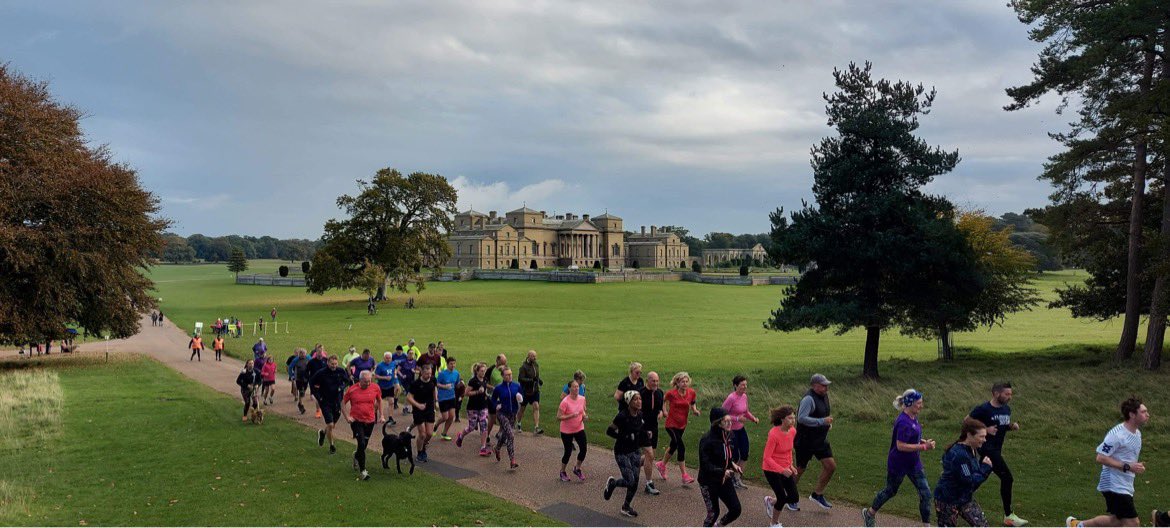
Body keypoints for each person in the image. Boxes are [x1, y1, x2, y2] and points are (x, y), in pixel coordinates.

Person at [1067, 397, 1150, 528]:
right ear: (1132, 415)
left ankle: (1078, 525)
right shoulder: (1117, 435)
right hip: (1113, 484)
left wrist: (1135, 467)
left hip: (1126, 484)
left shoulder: (1137, 433)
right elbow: (1100, 457)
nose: (1147, 414)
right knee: (1132, 523)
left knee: (1117, 521)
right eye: (1143, 412)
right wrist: (1128, 466)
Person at [862, 389, 936, 527]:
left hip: (914, 464)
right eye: (919, 403)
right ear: (910, 403)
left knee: (925, 494)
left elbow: (912, 437)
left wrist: (922, 441)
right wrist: (924, 447)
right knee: (890, 491)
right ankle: (869, 513)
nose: (921, 406)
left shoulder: (913, 417)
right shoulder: (903, 422)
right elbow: (901, 445)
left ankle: (927, 525)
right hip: (898, 464)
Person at [969, 382, 1028, 527]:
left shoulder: (1007, 409)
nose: (1010, 397)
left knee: (980, 475)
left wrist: (1010, 426)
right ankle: (1008, 516)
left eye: (1011, 394)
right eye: (1007, 394)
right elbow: (967, 422)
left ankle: (957, 498)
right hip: (987, 448)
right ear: (996, 393)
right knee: (1007, 478)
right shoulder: (983, 409)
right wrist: (985, 429)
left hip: (996, 448)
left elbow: (1001, 426)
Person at [934, 417, 994, 527]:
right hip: (947, 500)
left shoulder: (972, 449)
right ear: (969, 435)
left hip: (964, 498)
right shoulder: (960, 455)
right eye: (981, 436)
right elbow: (969, 481)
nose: (984, 440)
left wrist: (983, 469)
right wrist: (985, 469)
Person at [793, 373, 836, 510]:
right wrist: (821, 421)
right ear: (815, 385)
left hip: (819, 440)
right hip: (805, 441)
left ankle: (817, 494)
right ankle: (789, 496)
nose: (826, 388)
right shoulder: (808, 399)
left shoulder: (823, 396)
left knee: (830, 466)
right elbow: (801, 418)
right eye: (823, 385)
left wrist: (826, 424)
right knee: (799, 470)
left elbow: (822, 414)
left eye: (826, 385)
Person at [604, 391, 648, 518]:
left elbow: (640, 431)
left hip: (635, 451)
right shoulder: (622, 416)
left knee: (635, 481)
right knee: (630, 480)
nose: (639, 401)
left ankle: (626, 506)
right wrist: (622, 437)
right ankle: (612, 484)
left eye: (640, 399)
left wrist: (646, 438)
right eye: (635, 399)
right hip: (622, 452)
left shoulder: (640, 415)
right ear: (629, 402)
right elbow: (609, 431)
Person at [698, 406, 742, 527]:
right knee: (713, 513)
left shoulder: (728, 436)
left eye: (730, 420)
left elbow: (726, 455)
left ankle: (719, 526)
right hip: (708, 482)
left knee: (736, 509)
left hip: (723, 479)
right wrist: (723, 471)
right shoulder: (707, 440)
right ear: (717, 423)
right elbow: (705, 465)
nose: (729, 423)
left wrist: (732, 465)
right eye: (726, 421)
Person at [659, 371, 700, 484]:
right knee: (680, 446)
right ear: (677, 382)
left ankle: (662, 464)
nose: (685, 383)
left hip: (682, 425)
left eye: (687, 381)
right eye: (683, 381)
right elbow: (663, 400)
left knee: (673, 446)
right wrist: (664, 410)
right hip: (671, 424)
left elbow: (692, 402)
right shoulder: (671, 393)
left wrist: (695, 410)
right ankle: (684, 475)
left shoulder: (691, 392)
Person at [762, 405, 799, 528]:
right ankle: (773, 523)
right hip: (771, 469)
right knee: (782, 497)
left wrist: (791, 466)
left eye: (794, 418)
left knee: (794, 497)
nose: (793, 421)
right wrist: (782, 470)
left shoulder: (793, 431)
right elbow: (767, 457)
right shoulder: (773, 435)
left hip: (785, 468)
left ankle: (771, 501)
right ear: (782, 419)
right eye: (790, 418)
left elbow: (789, 450)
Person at [342, 370, 381, 481]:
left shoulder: (375, 387)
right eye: (365, 382)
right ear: (359, 380)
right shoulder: (352, 389)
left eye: (369, 381)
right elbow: (342, 402)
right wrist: (347, 417)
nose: (368, 384)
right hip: (356, 421)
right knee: (361, 443)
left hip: (370, 421)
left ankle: (357, 455)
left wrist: (381, 414)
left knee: (363, 446)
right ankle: (363, 471)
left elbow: (379, 399)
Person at [722, 375, 759, 490]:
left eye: (746, 385)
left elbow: (746, 411)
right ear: (735, 386)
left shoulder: (744, 396)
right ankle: (731, 478)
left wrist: (753, 418)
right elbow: (723, 413)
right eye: (742, 385)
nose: (745, 387)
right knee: (735, 455)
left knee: (745, 453)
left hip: (741, 429)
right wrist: (737, 419)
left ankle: (737, 478)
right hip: (731, 430)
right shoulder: (731, 398)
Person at [309, 355, 351, 454]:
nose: (334, 366)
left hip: (337, 401)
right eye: (332, 364)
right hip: (325, 402)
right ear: (328, 363)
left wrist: (342, 386)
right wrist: (319, 397)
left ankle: (323, 433)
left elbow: (347, 381)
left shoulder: (340, 371)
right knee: (330, 424)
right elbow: (312, 384)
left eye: (335, 364)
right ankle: (332, 446)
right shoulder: (321, 373)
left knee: (332, 426)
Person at [456, 362, 492, 456]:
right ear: (477, 371)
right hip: (473, 407)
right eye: (482, 371)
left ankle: (483, 448)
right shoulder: (473, 381)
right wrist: (477, 392)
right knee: (471, 427)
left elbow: (484, 390)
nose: (483, 373)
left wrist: (487, 395)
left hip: (483, 406)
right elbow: (466, 393)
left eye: (485, 371)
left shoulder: (485, 379)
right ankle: (461, 436)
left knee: (484, 425)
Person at [491, 366, 523, 469]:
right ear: (502, 376)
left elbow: (522, 398)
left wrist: (520, 398)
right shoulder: (498, 388)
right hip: (502, 414)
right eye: (507, 375)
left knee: (505, 434)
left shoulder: (516, 386)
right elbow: (493, 400)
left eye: (511, 374)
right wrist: (496, 405)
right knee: (511, 435)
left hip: (513, 414)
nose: (510, 376)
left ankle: (497, 448)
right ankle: (512, 460)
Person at [640, 371, 666, 495]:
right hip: (643, 428)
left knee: (650, 456)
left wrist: (661, 413)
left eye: (657, 381)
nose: (656, 383)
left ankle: (633, 464)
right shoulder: (641, 394)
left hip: (654, 427)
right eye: (653, 381)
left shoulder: (660, 393)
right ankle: (649, 484)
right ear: (647, 381)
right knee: (650, 455)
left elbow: (660, 408)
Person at [558, 378, 588, 482]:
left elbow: (582, 411)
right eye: (574, 387)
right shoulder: (565, 402)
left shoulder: (582, 399)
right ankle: (562, 471)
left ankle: (577, 468)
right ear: (569, 388)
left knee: (583, 448)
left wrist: (584, 416)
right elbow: (559, 417)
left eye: (577, 387)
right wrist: (570, 416)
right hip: (566, 430)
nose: (576, 389)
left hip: (579, 427)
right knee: (568, 451)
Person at [407, 364, 438, 463]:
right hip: (418, 410)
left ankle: (423, 446)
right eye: (427, 374)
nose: (429, 375)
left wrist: (436, 401)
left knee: (429, 433)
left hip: (429, 409)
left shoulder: (433, 380)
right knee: (422, 434)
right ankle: (420, 453)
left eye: (430, 373)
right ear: (422, 372)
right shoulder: (415, 383)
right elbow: (409, 397)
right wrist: (418, 405)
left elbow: (434, 389)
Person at [517, 349, 544, 434]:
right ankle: (518, 423)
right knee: (522, 408)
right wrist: (531, 380)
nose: (535, 358)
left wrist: (539, 380)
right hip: (525, 391)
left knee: (536, 406)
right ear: (528, 356)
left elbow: (536, 376)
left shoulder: (536, 365)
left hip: (535, 390)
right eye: (533, 356)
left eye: (535, 356)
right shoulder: (523, 367)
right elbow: (520, 379)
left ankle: (536, 427)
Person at [484, 354, 507, 443]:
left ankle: (500, 433)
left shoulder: (505, 369)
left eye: (505, 363)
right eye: (502, 363)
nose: (504, 364)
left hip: (503, 397)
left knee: (503, 417)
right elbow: (484, 383)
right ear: (497, 361)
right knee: (493, 418)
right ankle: (487, 435)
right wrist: (493, 387)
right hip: (492, 397)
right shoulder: (490, 370)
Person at [436, 357, 461, 440]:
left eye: (454, 363)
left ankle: (444, 433)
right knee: (445, 417)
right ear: (447, 364)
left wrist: (460, 384)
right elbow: (437, 384)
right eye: (451, 363)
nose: (453, 365)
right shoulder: (442, 374)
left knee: (451, 416)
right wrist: (444, 386)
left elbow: (457, 384)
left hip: (452, 397)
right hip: (443, 398)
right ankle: (435, 425)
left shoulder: (456, 373)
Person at [373, 352, 398, 425]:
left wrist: (395, 376)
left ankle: (390, 418)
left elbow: (394, 370)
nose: (388, 359)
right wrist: (385, 378)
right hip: (381, 387)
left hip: (390, 386)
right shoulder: (380, 366)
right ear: (384, 358)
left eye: (389, 358)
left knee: (391, 402)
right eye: (386, 358)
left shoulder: (393, 363)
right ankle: (374, 415)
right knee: (378, 403)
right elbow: (376, 376)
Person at [290, 348, 310, 414]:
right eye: (301, 354)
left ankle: (299, 402)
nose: (303, 355)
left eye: (304, 354)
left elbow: (312, 365)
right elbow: (290, 367)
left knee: (303, 391)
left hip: (306, 378)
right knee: (301, 391)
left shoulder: (308, 358)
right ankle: (301, 405)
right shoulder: (296, 360)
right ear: (299, 354)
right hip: (298, 378)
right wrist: (292, 376)